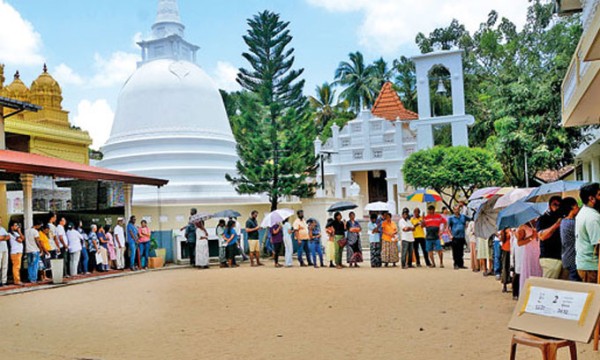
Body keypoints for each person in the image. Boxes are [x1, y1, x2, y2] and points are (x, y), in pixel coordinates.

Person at [575, 182, 600, 283]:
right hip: (592, 267)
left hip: (586, 265)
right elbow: (598, 247)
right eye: (599, 195)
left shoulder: (584, 212)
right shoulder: (593, 217)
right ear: (592, 198)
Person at [537, 196, 564, 279]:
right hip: (549, 258)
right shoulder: (543, 219)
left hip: (562, 257)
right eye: (555, 204)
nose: (557, 207)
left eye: (559, 205)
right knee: (548, 287)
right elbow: (542, 236)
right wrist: (556, 225)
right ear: (549, 206)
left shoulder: (563, 218)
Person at [516, 220, 542, 294]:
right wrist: (531, 237)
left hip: (539, 252)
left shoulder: (539, 223)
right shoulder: (523, 227)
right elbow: (519, 243)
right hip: (529, 254)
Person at [560, 197, 580, 281]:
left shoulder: (563, 221)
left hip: (567, 256)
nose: (578, 208)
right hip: (573, 258)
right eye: (577, 205)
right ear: (573, 207)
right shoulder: (572, 223)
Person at [447, 205, 470, 270]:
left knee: (461, 251)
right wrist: (450, 235)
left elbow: (470, 219)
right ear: (453, 210)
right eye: (455, 209)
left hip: (462, 236)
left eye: (458, 209)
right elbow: (448, 228)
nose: (457, 211)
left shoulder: (463, 217)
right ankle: (456, 264)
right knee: (455, 251)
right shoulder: (451, 218)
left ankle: (461, 264)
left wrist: (467, 225)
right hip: (455, 236)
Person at [8, 221, 24, 286]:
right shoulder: (10, 234)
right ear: (11, 227)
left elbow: (23, 238)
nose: (17, 227)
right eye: (15, 225)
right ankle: (17, 280)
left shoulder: (15, 233)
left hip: (19, 252)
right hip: (15, 252)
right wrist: (19, 231)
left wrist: (19, 232)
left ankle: (17, 279)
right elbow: (20, 240)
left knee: (18, 267)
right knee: (16, 267)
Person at [510, 227, 523, 300]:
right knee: (517, 271)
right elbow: (517, 237)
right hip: (518, 248)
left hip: (523, 248)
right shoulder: (517, 228)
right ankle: (515, 292)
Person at [499, 228, 511, 292]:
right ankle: (504, 284)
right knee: (505, 266)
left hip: (514, 248)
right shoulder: (504, 229)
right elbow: (501, 239)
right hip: (506, 248)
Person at [0, 217, 9, 286]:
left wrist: (2, 237)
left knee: (5, 265)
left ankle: (4, 281)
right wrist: (4, 237)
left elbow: (8, 237)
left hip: (5, 249)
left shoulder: (2, 229)